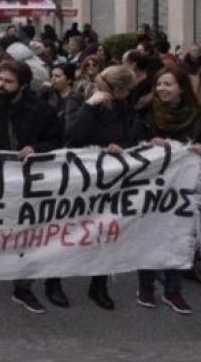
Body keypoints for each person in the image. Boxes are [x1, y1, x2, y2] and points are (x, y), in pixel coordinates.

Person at [0, 60, 62, 313]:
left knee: (26, 238)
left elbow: (58, 141)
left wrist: (37, 148)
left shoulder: (41, 110)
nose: (1, 85)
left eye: (8, 82)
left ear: (23, 85)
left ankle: (23, 289)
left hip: (27, 183)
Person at [65, 65, 139, 310]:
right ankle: (53, 281)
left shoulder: (124, 108)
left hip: (109, 180)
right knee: (65, 228)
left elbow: (131, 136)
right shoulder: (79, 97)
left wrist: (122, 146)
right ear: (115, 89)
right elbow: (73, 135)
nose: (127, 95)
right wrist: (89, 106)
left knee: (106, 229)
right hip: (79, 178)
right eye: (124, 91)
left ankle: (99, 284)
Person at [134, 67, 200, 314]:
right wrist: (148, 144)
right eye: (159, 83)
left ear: (181, 88)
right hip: (151, 186)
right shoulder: (145, 112)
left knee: (176, 235)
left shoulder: (196, 115)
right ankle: (146, 286)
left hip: (182, 189)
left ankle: (173, 291)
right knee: (149, 233)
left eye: (168, 84)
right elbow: (131, 142)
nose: (162, 88)